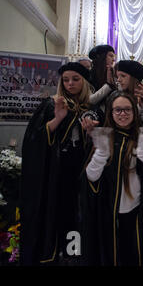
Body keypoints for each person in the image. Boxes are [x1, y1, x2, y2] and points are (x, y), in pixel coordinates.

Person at [20, 62, 97, 265]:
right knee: (55, 213)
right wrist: (58, 119)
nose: (70, 84)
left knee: (78, 217)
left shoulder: (92, 107)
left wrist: (92, 134)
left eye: (75, 79)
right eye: (66, 80)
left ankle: (74, 255)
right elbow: (33, 140)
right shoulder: (51, 105)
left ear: (85, 82)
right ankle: (54, 257)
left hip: (82, 173)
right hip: (56, 172)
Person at [81, 91, 143, 266]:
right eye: (118, 110)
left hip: (137, 208)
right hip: (109, 207)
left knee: (135, 253)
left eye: (127, 110)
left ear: (134, 112)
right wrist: (101, 153)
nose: (122, 114)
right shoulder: (103, 136)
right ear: (110, 112)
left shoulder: (142, 136)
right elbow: (91, 177)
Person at [115, 60, 143, 129]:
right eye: (118, 76)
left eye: (123, 76)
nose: (118, 80)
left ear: (134, 79)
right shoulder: (116, 95)